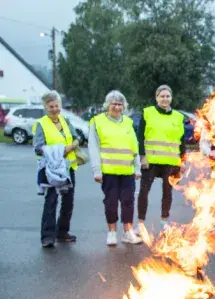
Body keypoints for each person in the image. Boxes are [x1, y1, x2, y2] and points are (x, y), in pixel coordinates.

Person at [89, 90, 143, 246]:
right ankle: (112, 232)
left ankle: (128, 232)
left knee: (128, 202)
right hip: (108, 172)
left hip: (127, 171)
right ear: (107, 105)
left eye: (120, 104)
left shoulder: (128, 122)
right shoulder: (97, 122)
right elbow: (93, 147)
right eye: (114, 104)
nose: (117, 107)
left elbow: (134, 146)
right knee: (111, 202)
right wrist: (96, 170)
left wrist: (137, 167)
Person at [33, 90, 80, 247]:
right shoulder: (41, 124)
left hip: (68, 168)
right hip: (51, 169)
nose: (55, 109)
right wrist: (61, 150)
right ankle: (47, 236)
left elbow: (76, 137)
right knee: (51, 201)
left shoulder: (65, 120)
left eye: (57, 105)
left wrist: (75, 143)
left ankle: (62, 232)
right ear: (46, 107)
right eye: (51, 106)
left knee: (68, 202)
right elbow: (38, 147)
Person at [136, 85, 186, 232]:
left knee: (167, 193)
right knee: (144, 192)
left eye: (167, 96)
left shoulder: (178, 117)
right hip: (151, 161)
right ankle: (140, 223)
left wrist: (182, 160)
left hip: (170, 161)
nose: (165, 99)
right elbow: (140, 136)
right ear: (156, 98)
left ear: (171, 98)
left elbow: (181, 141)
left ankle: (164, 221)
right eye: (162, 96)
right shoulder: (147, 113)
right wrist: (142, 156)